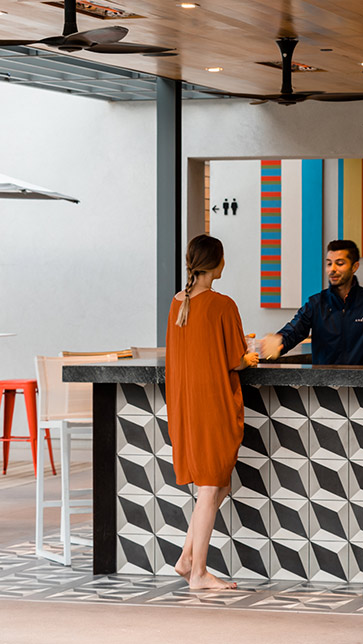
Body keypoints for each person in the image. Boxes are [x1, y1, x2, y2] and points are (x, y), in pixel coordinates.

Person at [165, 234, 259, 590]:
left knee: (218, 485)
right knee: (210, 486)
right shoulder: (222, 304)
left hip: (187, 403)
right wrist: (249, 356)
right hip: (214, 403)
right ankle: (199, 574)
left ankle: (187, 558)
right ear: (218, 263)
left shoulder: (177, 303)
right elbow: (236, 360)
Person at [260, 239, 363, 365]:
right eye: (329, 264)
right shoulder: (315, 303)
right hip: (323, 388)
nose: (332, 269)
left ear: (354, 267)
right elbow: (294, 331)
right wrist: (278, 342)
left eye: (339, 263)